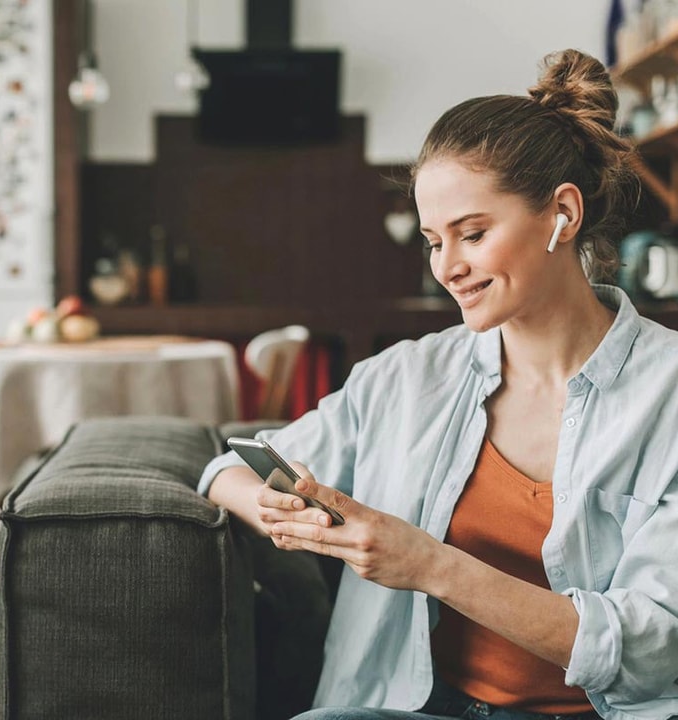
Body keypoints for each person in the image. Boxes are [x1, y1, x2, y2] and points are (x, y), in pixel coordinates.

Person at [198, 48, 678, 720]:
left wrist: (431, 565)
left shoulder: (669, 396)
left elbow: (658, 645)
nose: (447, 267)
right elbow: (227, 470)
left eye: (472, 234)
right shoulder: (409, 375)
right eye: (432, 240)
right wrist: (282, 510)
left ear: (562, 215)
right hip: (419, 706)